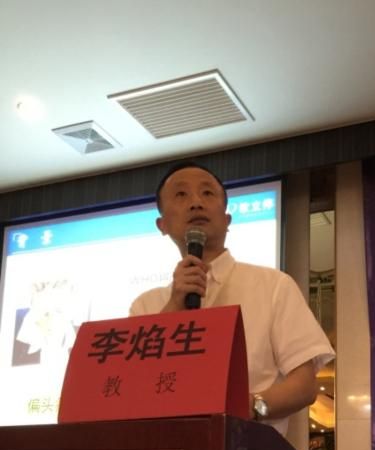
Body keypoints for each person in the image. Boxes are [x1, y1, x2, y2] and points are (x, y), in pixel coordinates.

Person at [130, 161, 335, 432]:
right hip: (167, 448)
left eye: (207, 193)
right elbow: (136, 388)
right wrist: (175, 305)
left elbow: (305, 385)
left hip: (249, 448)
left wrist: (249, 407)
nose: (196, 203)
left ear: (227, 220)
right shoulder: (145, 306)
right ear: (162, 224)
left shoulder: (273, 286)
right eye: (181, 194)